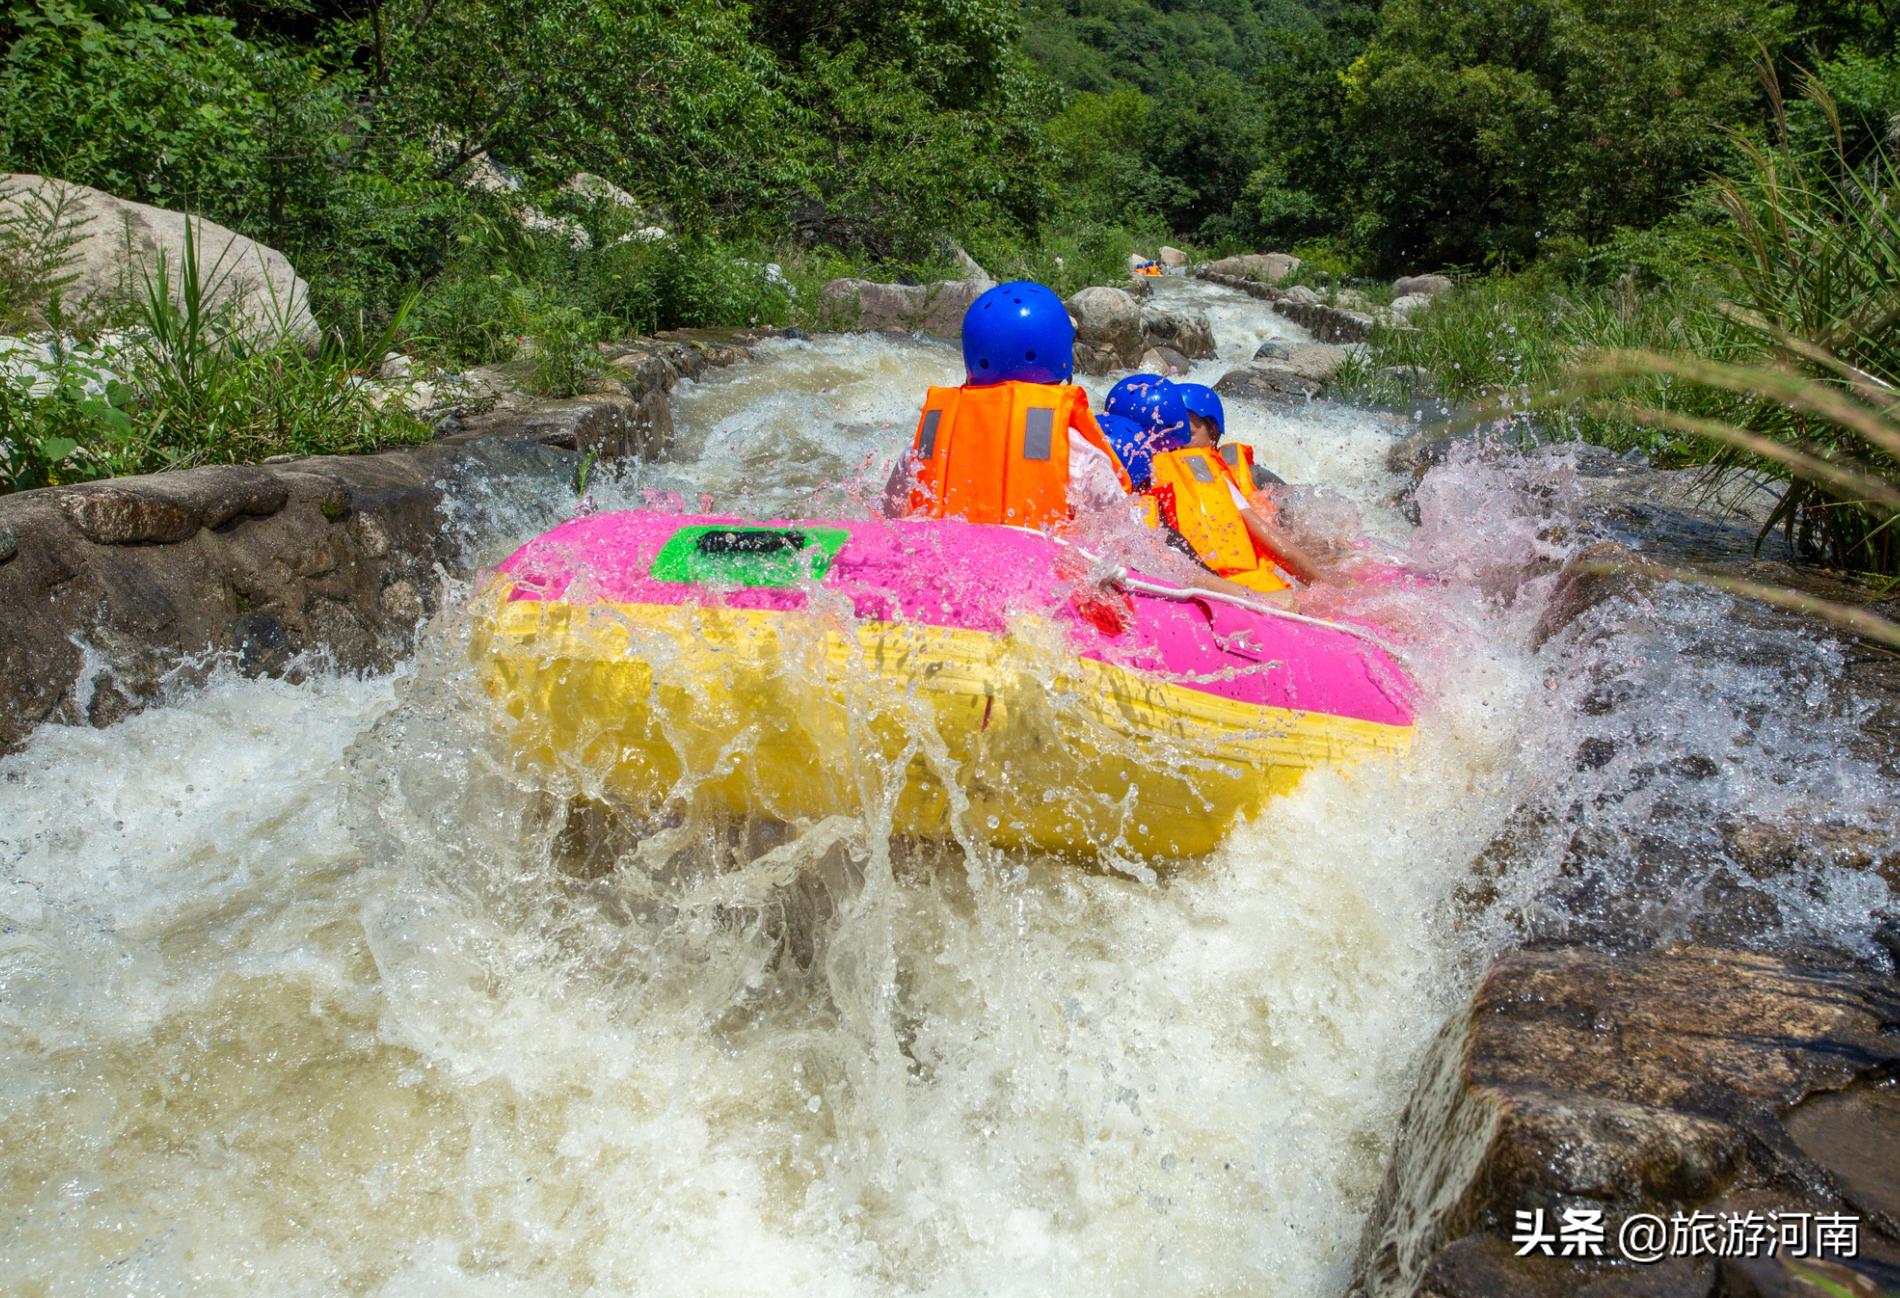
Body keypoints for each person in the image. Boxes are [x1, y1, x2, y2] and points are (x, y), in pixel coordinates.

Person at [883, 281, 1130, 528]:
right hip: (1036, 563)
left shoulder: (923, 446)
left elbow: (889, 518)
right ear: (1061, 356)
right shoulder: (1080, 457)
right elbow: (1125, 541)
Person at [1146, 382, 1332, 590]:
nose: (1176, 444)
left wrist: (1328, 587)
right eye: (1167, 435)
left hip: (1269, 567)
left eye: (1185, 434)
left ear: (1213, 432)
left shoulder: (1255, 475)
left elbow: (1295, 532)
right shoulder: (1161, 478)